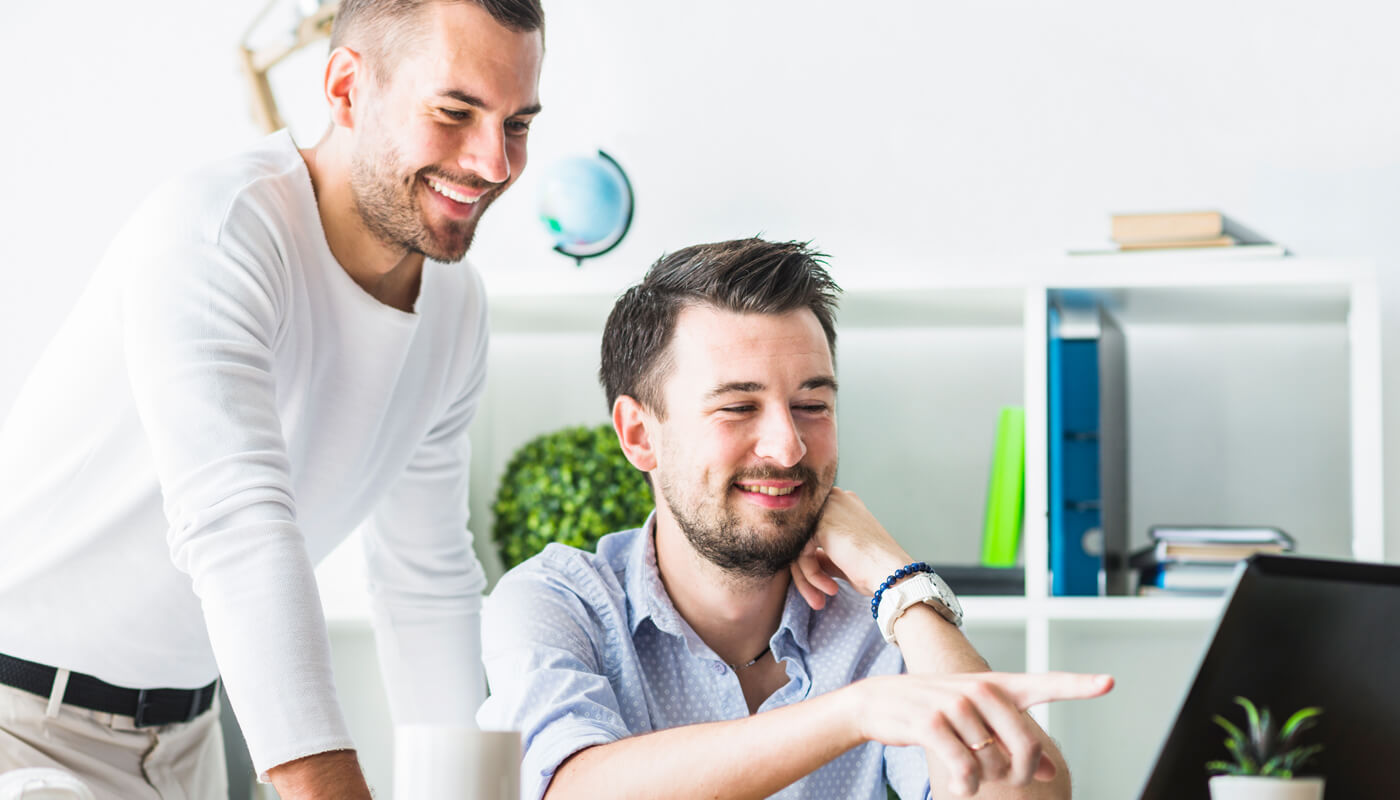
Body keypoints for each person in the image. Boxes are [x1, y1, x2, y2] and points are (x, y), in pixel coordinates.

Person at [0, 1, 544, 797]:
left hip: (185, 742)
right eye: (454, 112)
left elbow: (424, 580)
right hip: (19, 722)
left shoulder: (456, 311)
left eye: (517, 124)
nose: (494, 162)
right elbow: (237, 527)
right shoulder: (217, 231)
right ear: (347, 87)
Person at [477, 238, 1115, 799]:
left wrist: (899, 582)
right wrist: (854, 713)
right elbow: (566, 789)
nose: (788, 448)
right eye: (737, 408)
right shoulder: (560, 601)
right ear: (640, 434)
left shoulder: (875, 613)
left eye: (812, 404)